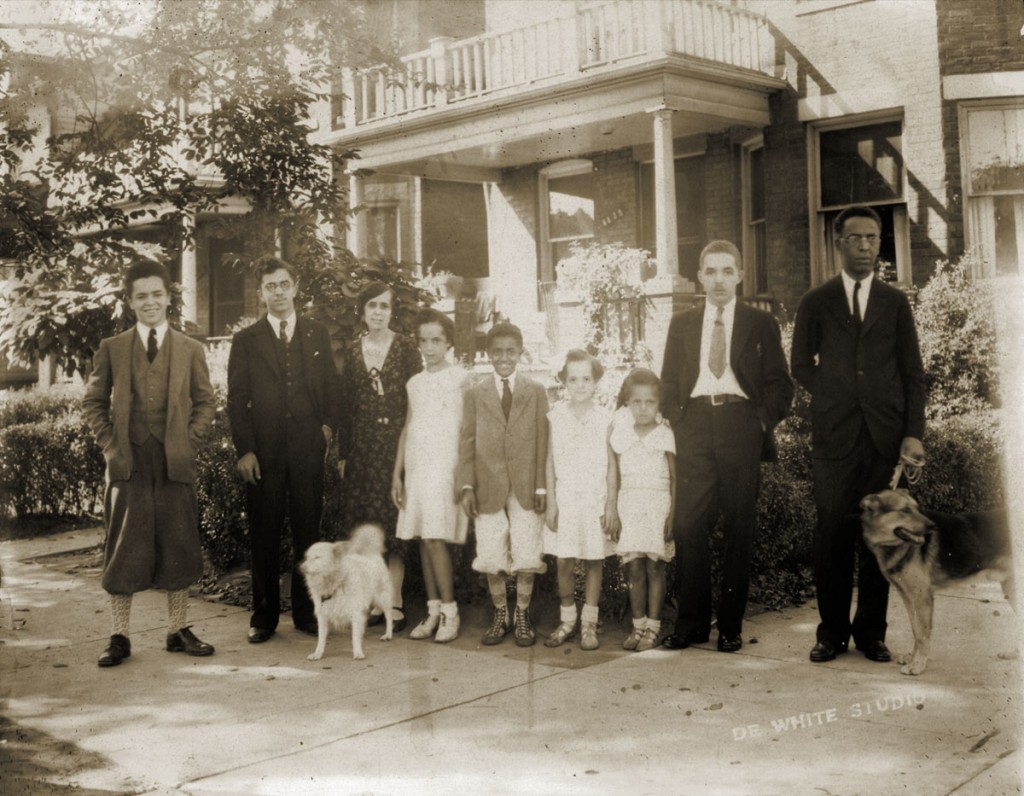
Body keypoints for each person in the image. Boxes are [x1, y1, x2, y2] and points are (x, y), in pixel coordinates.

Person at [791, 206, 926, 664]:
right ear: (838, 242)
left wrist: (913, 434)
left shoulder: (894, 302)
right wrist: (833, 398)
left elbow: (912, 373)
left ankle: (872, 633)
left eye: (873, 238)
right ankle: (830, 634)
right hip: (834, 442)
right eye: (857, 238)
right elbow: (799, 366)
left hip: (884, 443)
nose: (867, 246)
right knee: (831, 536)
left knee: (881, 539)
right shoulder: (817, 301)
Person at [661, 240, 793, 654]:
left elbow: (780, 385)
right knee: (687, 525)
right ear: (700, 277)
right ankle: (693, 624)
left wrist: (757, 423)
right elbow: (667, 381)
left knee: (739, 527)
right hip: (695, 426)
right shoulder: (681, 323)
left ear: (739, 275)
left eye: (726, 271)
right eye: (711, 271)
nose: (719, 280)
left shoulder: (760, 323)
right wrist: (679, 421)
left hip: (740, 426)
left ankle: (731, 626)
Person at [83, 259, 216, 667]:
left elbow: (206, 401)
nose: (150, 302)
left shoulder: (190, 348)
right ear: (130, 302)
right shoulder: (113, 348)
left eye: (157, 294)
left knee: (178, 545)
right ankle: (119, 635)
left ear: (169, 298)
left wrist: (188, 442)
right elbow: (93, 403)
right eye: (141, 295)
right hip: (130, 463)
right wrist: (112, 446)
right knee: (124, 549)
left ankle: (177, 629)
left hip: (174, 462)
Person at [227, 256, 342, 644]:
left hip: (308, 450)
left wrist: (326, 428)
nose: (278, 292)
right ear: (260, 293)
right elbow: (236, 400)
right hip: (265, 454)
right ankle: (264, 616)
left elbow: (330, 386)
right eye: (269, 286)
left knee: (308, 532)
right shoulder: (246, 340)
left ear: (295, 286)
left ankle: (308, 614)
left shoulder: (316, 334)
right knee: (264, 532)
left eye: (283, 284)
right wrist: (246, 450)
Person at [337, 281, 422, 632]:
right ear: (362, 310)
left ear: (392, 311)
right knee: (368, 523)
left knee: (394, 521)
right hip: (363, 447)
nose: (377, 312)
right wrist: (343, 453)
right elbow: (346, 406)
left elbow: (417, 399)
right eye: (371, 305)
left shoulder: (405, 348)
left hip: (397, 445)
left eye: (384, 306)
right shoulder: (353, 351)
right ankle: (373, 599)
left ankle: (395, 601)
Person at [457, 322, 548, 647]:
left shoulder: (535, 390)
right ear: (488, 354)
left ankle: (522, 613)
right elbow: (467, 440)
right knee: (492, 551)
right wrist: (466, 485)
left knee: (526, 550)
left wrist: (541, 486)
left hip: (526, 486)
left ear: (520, 353)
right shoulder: (475, 392)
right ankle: (500, 613)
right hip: (487, 484)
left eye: (511, 351)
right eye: (498, 351)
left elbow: (542, 442)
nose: (505, 357)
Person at [391, 308, 468, 643]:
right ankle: (433, 610)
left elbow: (467, 431)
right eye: (423, 340)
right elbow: (408, 427)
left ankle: (451, 612)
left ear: (448, 342)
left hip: (445, 466)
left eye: (436, 340)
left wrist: (464, 476)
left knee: (437, 537)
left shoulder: (461, 378)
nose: (429, 347)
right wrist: (397, 474)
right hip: (418, 468)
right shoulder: (415, 383)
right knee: (424, 538)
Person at [542, 350, 616, 650]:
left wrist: (610, 503)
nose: (580, 385)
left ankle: (589, 622)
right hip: (566, 498)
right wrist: (551, 502)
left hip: (594, 498)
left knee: (594, 559)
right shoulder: (555, 416)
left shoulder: (606, 418)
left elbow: (612, 464)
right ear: (563, 382)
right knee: (564, 560)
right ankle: (568, 619)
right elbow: (549, 461)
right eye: (573, 379)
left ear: (596, 380)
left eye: (586, 378)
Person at [607, 368, 676, 651]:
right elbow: (615, 475)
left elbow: (674, 477)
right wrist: (614, 509)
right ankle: (637, 626)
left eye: (650, 402)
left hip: (658, 505)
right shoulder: (621, 434)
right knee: (634, 568)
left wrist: (673, 515)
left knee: (655, 567)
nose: (644, 408)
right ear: (628, 403)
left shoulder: (665, 434)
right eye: (637, 402)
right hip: (631, 504)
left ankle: (653, 627)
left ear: (659, 403)